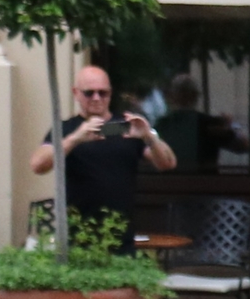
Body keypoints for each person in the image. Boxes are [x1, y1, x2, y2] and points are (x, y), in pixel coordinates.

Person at [30, 63, 176, 238]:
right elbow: (38, 165)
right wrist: (76, 138)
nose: (96, 98)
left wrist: (149, 136)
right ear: (76, 93)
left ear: (110, 93)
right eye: (89, 93)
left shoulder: (123, 126)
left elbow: (167, 163)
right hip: (79, 233)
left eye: (103, 93)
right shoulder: (67, 129)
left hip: (121, 232)